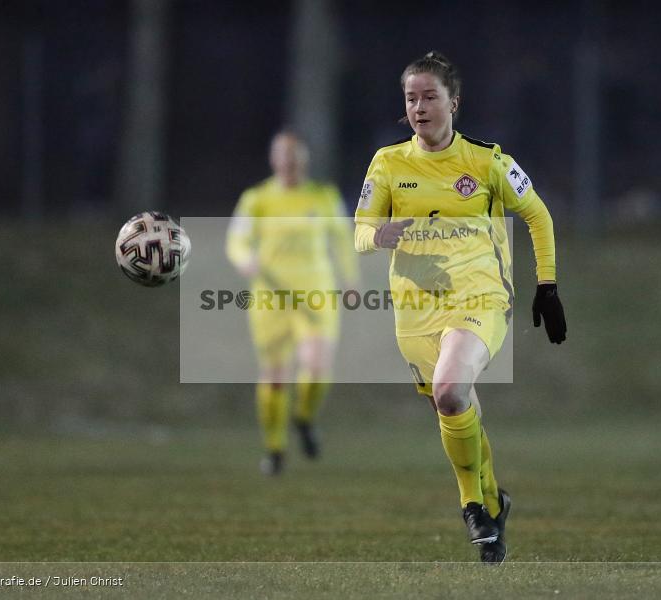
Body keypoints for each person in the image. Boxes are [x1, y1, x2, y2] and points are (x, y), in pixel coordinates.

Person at [354, 51, 566, 563]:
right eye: (411, 99)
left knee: (451, 391)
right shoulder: (388, 163)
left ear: (454, 102)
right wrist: (377, 233)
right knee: (453, 404)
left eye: (430, 97)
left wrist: (548, 286)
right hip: (414, 311)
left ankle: (472, 506)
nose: (420, 107)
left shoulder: (488, 162)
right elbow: (359, 231)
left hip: (480, 299)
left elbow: (537, 215)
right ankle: (493, 505)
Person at [227, 131, 359, 475]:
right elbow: (237, 239)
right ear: (273, 159)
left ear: (304, 160)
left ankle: (304, 417)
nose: (288, 161)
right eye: (282, 154)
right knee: (274, 376)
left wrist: (349, 278)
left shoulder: (323, 196)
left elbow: (343, 239)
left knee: (316, 367)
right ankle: (274, 449)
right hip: (270, 298)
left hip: (316, 293)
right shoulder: (256, 198)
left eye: (294, 155)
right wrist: (245, 259)